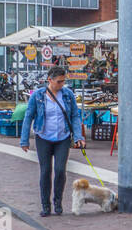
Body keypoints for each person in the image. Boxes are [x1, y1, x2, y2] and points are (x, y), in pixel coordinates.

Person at [20, 66, 87, 217]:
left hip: (62, 138)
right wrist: (24, 140)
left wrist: (78, 137)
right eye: (59, 82)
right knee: (45, 171)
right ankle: (45, 205)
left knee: (60, 170)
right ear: (49, 80)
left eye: (63, 81)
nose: (62, 84)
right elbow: (28, 117)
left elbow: (75, 116)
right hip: (43, 137)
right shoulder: (38, 96)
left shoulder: (68, 95)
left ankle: (58, 202)